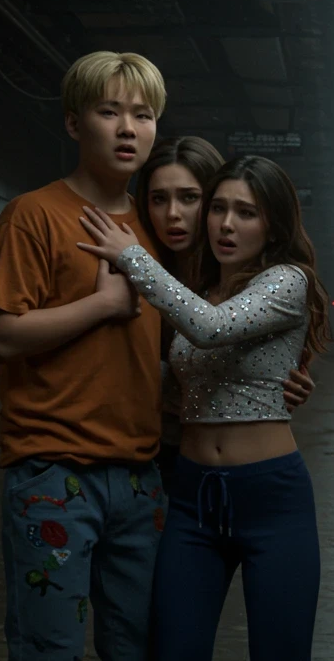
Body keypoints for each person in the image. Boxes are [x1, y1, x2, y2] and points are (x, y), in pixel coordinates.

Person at [77, 155, 334, 661]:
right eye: (219, 208)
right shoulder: (205, 285)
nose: (225, 224)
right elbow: (182, 376)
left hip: (272, 503)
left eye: (245, 212)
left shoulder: (285, 283)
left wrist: (128, 257)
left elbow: (214, 330)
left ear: (274, 225)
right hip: (193, 502)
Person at [135, 136, 315, 489]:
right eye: (158, 199)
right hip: (138, 451)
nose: (173, 214)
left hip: (205, 460)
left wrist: (278, 384)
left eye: (190, 198)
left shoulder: (252, 281)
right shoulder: (134, 265)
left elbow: (225, 336)